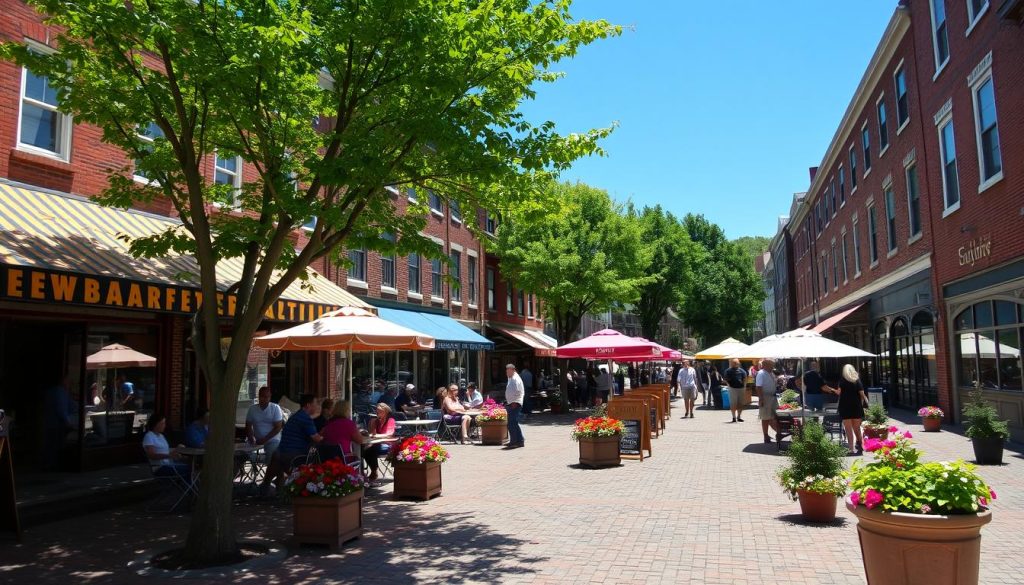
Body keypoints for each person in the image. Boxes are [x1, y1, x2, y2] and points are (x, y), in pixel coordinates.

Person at [265, 393, 322, 493]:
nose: (317, 406)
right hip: (294, 456)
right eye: (316, 403)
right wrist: (325, 435)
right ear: (308, 405)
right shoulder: (305, 419)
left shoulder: (295, 416)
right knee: (318, 463)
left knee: (276, 466)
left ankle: (269, 488)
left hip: (280, 452)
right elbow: (316, 439)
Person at [830, 363, 869, 455]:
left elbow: (839, 393)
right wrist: (862, 404)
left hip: (844, 407)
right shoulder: (857, 381)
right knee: (857, 428)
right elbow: (862, 395)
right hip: (856, 407)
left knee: (848, 429)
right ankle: (860, 445)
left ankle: (851, 449)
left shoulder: (842, 381)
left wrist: (832, 390)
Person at [143, 413, 190, 479]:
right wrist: (169, 455)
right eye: (162, 423)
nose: (164, 425)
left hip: (169, 464)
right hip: (159, 467)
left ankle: (186, 487)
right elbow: (151, 455)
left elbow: (166, 451)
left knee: (191, 466)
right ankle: (187, 488)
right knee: (188, 469)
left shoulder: (161, 436)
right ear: (156, 424)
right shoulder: (149, 436)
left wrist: (177, 450)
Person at [246, 385, 284, 465]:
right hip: (256, 440)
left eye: (267, 397)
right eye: (262, 396)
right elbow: (248, 425)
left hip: (273, 440)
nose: (264, 399)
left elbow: (278, 427)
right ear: (259, 396)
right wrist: (251, 437)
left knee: (271, 454)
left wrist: (264, 439)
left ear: (270, 397)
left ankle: (268, 474)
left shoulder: (275, 408)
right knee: (242, 453)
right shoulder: (252, 409)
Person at [362, 403, 396, 482]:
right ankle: (371, 470)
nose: (378, 414)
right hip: (377, 443)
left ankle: (374, 471)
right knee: (365, 450)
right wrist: (372, 423)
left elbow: (389, 434)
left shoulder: (390, 420)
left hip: (388, 444)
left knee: (371, 449)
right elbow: (371, 433)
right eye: (377, 412)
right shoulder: (376, 421)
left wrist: (376, 436)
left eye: (380, 412)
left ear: (386, 412)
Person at [756, 359, 780, 444]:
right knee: (766, 418)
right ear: (765, 365)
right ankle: (766, 436)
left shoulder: (771, 372)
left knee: (775, 416)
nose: (773, 366)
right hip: (765, 397)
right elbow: (758, 386)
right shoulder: (761, 373)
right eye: (771, 365)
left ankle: (778, 433)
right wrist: (761, 398)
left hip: (772, 397)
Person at [504, 363, 525, 449]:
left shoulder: (515, 379)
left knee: (511, 423)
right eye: (506, 371)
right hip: (512, 402)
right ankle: (520, 440)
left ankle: (515, 441)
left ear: (513, 370)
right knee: (513, 423)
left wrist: (515, 402)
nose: (507, 372)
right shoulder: (511, 378)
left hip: (515, 403)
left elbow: (518, 392)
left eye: (508, 371)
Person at [724, 358, 747, 422]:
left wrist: (744, 386)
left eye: (737, 363)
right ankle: (734, 417)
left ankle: (739, 416)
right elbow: (725, 379)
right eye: (735, 363)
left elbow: (745, 378)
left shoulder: (742, 371)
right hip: (732, 388)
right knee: (733, 403)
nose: (736, 364)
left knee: (741, 403)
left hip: (741, 388)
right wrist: (728, 385)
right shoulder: (728, 371)